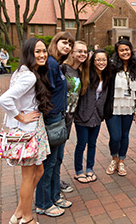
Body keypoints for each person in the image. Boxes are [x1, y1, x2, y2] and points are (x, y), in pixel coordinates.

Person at [0, 38, 53, 224]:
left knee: (38, 171)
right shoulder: (29, 75)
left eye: (44, 51)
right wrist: (21, 117)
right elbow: (4, 100)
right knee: (28, 177)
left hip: (31, 129)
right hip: (28, 131)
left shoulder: (23, 72)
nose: (42, 54)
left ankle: (18, 213)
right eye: (37, 51)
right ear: (29, 53)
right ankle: (27, 218)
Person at [35, 32, 74, 217]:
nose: (67, 46)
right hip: (52, 119)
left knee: (57, 161)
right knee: (49, 163)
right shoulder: (50, 63)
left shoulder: (57, 65)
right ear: (55, 42)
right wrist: (49, 114)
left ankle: (55, 196)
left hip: (59, 117)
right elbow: (42, 91)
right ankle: (43, 203)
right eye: (64, 42)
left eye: (69, 44)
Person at [74, 49, 110, 183]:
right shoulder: (86, 74)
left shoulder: (107, 76)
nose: (101, 62)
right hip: (83, 115)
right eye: (98, 59)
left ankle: (90, 168)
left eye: (104, 59)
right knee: (81, 144)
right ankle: (78, 171)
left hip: (97, 116)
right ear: (93, 61)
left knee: (93, 144)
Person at [104, 40, 136, 177]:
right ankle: (114, 158)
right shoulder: (111, 67)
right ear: (117, 53)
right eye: (122, 50)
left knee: (125, 135)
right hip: (113, 106)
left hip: (129, 106)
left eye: (127, 49)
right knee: (115, 136)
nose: (125, 52)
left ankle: (121, 160)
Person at [59, 40, 89, 191]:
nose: (82, 54)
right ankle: (52, 183)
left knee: (60, 151)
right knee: (54, 152)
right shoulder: (63, 68)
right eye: (79, 51)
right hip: (58, 118)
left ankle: (55, 180)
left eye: (85, 51)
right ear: (71, 53)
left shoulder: (80, 71)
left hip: (69, 118)